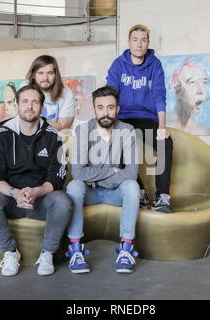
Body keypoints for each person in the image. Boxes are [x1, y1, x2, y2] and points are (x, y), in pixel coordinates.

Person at [0, 84, 73, 277]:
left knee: (63, 201)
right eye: (25, 102)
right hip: (11, 199)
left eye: (35, 102)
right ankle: (10, 252)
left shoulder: (56, 137)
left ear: (42, 108)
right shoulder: (1, 135)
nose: (30, 106)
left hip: (41, 200)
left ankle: (47, 253)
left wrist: (35, 192)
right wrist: (15, 193)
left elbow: (57, 178)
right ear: (17, 106)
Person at [66, 86, 140, 274]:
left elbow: (131, 173)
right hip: (90, 192)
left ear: (117, 109)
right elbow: (78, 173)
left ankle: (125, 249)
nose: (105, 113)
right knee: (74, 186)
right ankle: (75, 250)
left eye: (110, 107)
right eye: (100, 107)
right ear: (94, 108)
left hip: (114, 193)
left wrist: (100, 177)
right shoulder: (83, 130)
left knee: (132, 186)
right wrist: (111, 171)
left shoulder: (127, 130)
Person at [106, 24, 173, 213]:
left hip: (147, 118)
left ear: (148, 43)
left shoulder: (155, 64)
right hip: (124, 117)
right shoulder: (118, 65)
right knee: (117, 143)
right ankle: (140, 191)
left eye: (143, 40)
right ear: (129, 43)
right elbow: (110, 94)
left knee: (165, 142)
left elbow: (160, 95)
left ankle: (162, 196)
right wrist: (110, 123)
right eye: (135, 40)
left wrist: (162, 125)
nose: (139, 44)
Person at [21, 55, 76, 131]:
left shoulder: (66, 93)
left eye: (50, 73)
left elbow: (63, 128)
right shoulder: (25, 86)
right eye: (41, 73)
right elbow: (21, 117)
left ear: (55, 75)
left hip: (54, 139)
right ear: (33, 75)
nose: (45, 78)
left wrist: (33, 121)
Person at [169, 58, 210, 135]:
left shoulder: (202, 130)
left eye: (204, 83)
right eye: (192, 82)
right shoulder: (161, 126)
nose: (201, 91)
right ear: (177, 89)